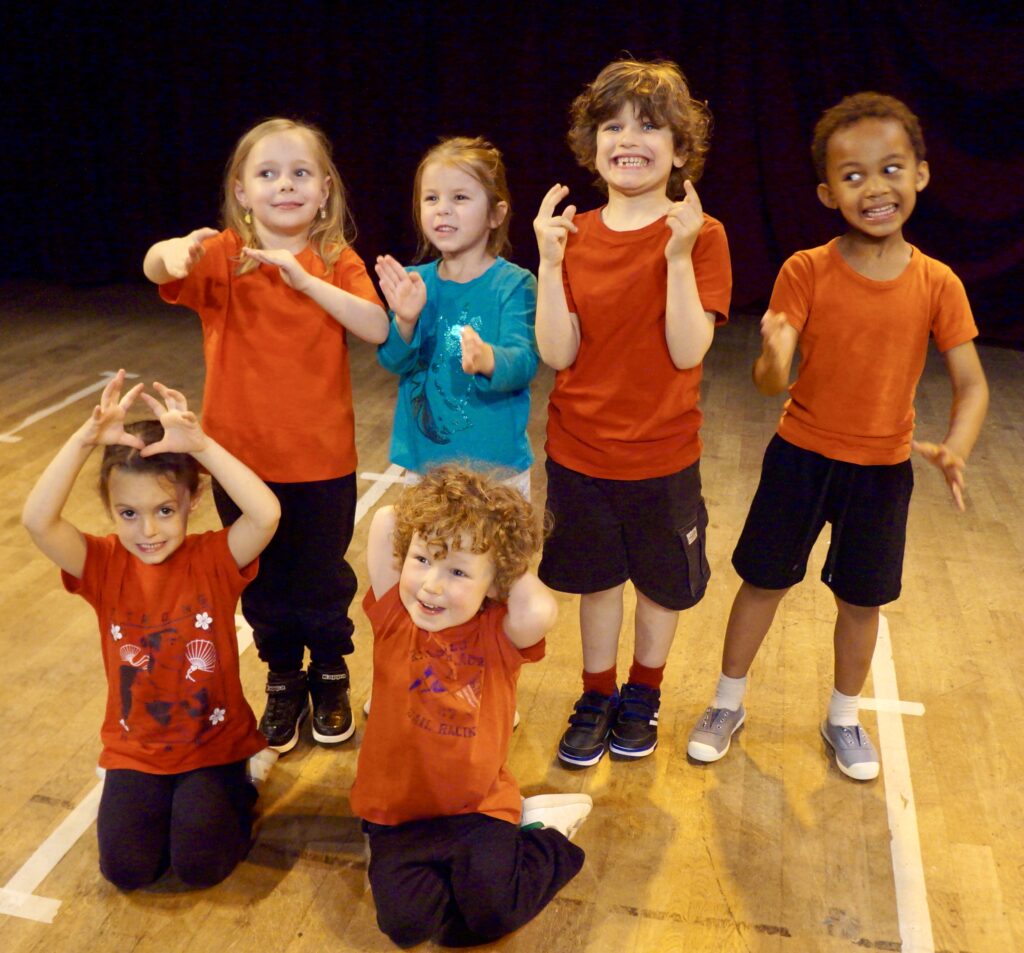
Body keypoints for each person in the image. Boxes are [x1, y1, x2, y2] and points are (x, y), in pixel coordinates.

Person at [687, 92, 989, 780]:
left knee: (862, 600)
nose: (874, 188)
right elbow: (769, 382)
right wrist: (773, 352)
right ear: (828, 191)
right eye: (853, 176)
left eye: (890, 168)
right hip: (800, 458)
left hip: (883, 471)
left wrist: (957, 446)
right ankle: (726, 702)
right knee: (762, 582)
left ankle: (843, 716)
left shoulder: (939, 283)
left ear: (920, 174)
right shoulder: (805, 270)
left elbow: (972, 385)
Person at [143, 118, 388, 754]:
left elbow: (377, 327)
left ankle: (329, 672)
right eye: (268, 174)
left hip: (322, 460)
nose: (286, 184)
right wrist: (169, 253)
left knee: (322, 576)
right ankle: (283, 676)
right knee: (261, 580)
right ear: (242, 191)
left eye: (301, 173)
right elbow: (157, 267)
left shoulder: (337, 260)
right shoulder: (223, 256)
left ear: (326, 191)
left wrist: (308, 281)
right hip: (239, 463)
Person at [532, 58, 732, 766]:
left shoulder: (701, 236)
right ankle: (596, 691)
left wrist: (677, 257)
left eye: (650, 127)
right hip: (580, 452)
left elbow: (687, 350)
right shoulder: (572, 235)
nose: (629, 138)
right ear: (591, 146)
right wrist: (550, 264)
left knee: (659, 584)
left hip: (663, 455)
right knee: (596, 583)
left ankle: (642, 692)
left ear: (679, 150)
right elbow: (557, 352)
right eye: (613, 124)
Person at [22, 372, 281, 888]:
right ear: (110, 510)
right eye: (129, 513)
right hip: (137, 747)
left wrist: (202, 445)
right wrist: (84, 440)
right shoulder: (101, 564)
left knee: (199, 866)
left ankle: (244, 780)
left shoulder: (213, 558)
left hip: (213, 743)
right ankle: (167, 796)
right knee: (127, 870)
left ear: (193, 500)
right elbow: (36, 520)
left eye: (165, 510)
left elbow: (266, 513)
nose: (149, 531)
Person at [351, 466, 591, 947]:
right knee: (407, 928)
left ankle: (546, 836)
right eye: (422, 559)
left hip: (478, 807)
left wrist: (501, 557)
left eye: (457, 572)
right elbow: (384, 521)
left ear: (497, 584)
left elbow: (542, 610)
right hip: (396, 814)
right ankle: (468, 874)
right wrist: (450, 511)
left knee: (487, 917)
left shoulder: (498, 633)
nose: (432, 586)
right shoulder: (395, 615)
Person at [375, 136, 538, 498]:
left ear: (496, 214)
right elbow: (392, 360)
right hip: (426, 468)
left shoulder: (513, 283)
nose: (442, 209)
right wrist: (404, 320)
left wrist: (486, 358)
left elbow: (524, 361)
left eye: (460, 198)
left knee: (493, 557)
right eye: (431, 198)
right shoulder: (416, 282)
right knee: (426, 554)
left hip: (496, 473)